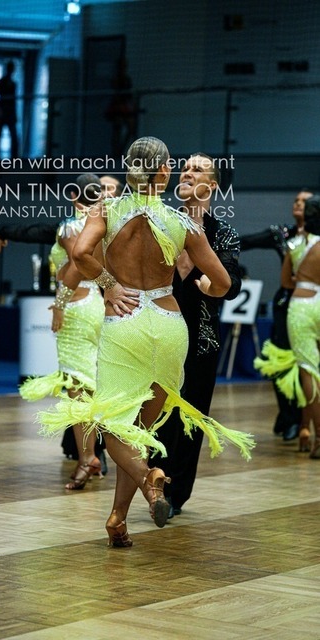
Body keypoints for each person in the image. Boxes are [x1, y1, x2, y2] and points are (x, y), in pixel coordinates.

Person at [36, 137, 255, 547]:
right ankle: (118, 519)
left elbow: (81, 253)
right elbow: (224, 283)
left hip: (126, 320)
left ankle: (149, 479)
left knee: (113, 426)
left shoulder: (107, 210)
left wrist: (109, 285)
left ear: (128, 168)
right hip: (170, 325)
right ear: (164, 173)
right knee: (139, 430)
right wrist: (208, 288)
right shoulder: (183, 223)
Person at [0, 174, 107, 489]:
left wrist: (59, 304)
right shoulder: (102, 227)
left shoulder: (70, 227)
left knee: (78, 388)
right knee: (89, 387)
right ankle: (92, 456)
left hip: (76, 309)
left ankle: (87, 459)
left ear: (73, 196)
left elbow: (77, 264)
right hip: (95, 303)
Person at [150, 152, 242, 518]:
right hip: (160, 334)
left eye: (197, 169)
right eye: (185, 168)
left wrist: (216, 285)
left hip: (202, 340)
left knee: (191, 417)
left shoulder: (223, 234)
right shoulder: (162, 223)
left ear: (212, 185)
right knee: (157, 412)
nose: (187, 172)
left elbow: (232, 283)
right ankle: (154, 480)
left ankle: (175, 494)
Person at [241, 189, 313, 442]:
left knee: (308, 364)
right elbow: (245, 241)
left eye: (305, 201)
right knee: (279, 361)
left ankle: (303, 420)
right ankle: (289, 416)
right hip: (285, 304)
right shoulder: (283, 234)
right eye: (296, 200)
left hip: (312, 306)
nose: (298, 204)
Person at [255, 195, 320, 457]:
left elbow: (286, 282)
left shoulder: (294, 244)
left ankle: (312, 433)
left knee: (308, 370)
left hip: (301, 305)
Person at [0, 60, 19, 159]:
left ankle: (14, 157)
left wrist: (14, 114)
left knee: (13, 136)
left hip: (9, 113)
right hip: (2, 112)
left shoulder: (13, 84)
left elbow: (13, 100)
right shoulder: (1, 82)